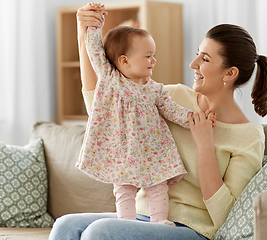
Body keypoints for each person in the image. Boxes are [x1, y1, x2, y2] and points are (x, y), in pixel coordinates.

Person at [49, 2, 267, 240]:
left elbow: (227, 217)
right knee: (66, 225)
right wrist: (83, 32)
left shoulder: (248, 136)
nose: (193, 64)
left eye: (205, 59)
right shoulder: (173, 95)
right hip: (140, 217)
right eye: (197, 53)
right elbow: (102, 106)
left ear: (230, 73)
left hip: (192, 230)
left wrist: (206, 145)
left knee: (99, 232)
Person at [75, 2, 216, 227]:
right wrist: (94, 24)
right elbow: (94, 49)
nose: (154, 60)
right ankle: (127, 225)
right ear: (124, 61)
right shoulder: (110, 79)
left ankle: (159, 222)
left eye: (154, 55)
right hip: (122, 148)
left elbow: (173, 111)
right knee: (123, 189)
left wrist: (197, 119)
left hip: (152, 149)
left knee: (159, 186)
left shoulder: (154, 89)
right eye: (148, 56)